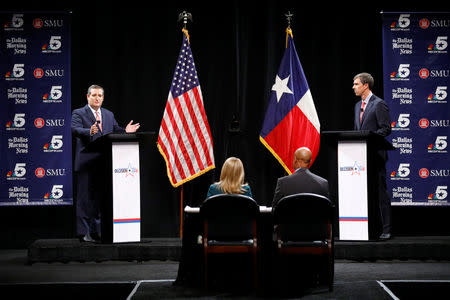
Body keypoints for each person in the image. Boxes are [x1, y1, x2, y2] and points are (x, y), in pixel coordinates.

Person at [71, 84, 140, 242]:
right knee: (84, 199)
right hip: (86, 163)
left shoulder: (108, 114)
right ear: (88, 97)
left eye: (100, 96)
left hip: (104, 163)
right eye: (94, 95)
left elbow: (115, 129)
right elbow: (75, 129)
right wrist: (89, 131)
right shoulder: (79, 113)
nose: (97, 98)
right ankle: (84, 233)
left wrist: (125, 131)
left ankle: (98, 232)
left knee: (98, 199)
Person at [352, 72, 392, 240]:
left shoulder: (379, 104)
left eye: (356, 84)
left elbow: (386, 129)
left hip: (375, 156)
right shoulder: (356, 106)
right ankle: (364, 229)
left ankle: (386, 229)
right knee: (362, 194)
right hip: (360, 157)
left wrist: (370, 137)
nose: (353, 87)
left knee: (380, 194)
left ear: (365, 85)